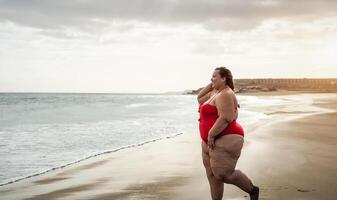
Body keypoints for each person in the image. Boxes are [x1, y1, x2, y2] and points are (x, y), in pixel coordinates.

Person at [197, 67, 259, 200]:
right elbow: (199, 98)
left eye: (214, 76)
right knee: (213, 176)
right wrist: (212, 83)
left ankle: (253, 190)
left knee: (223, 174)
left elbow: (226, 118)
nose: (211, 78)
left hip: (224, 137)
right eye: (211, 76)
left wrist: (211, 135)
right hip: (209, 141)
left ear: (224, 78)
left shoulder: (225, 94)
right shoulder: (215, 92)